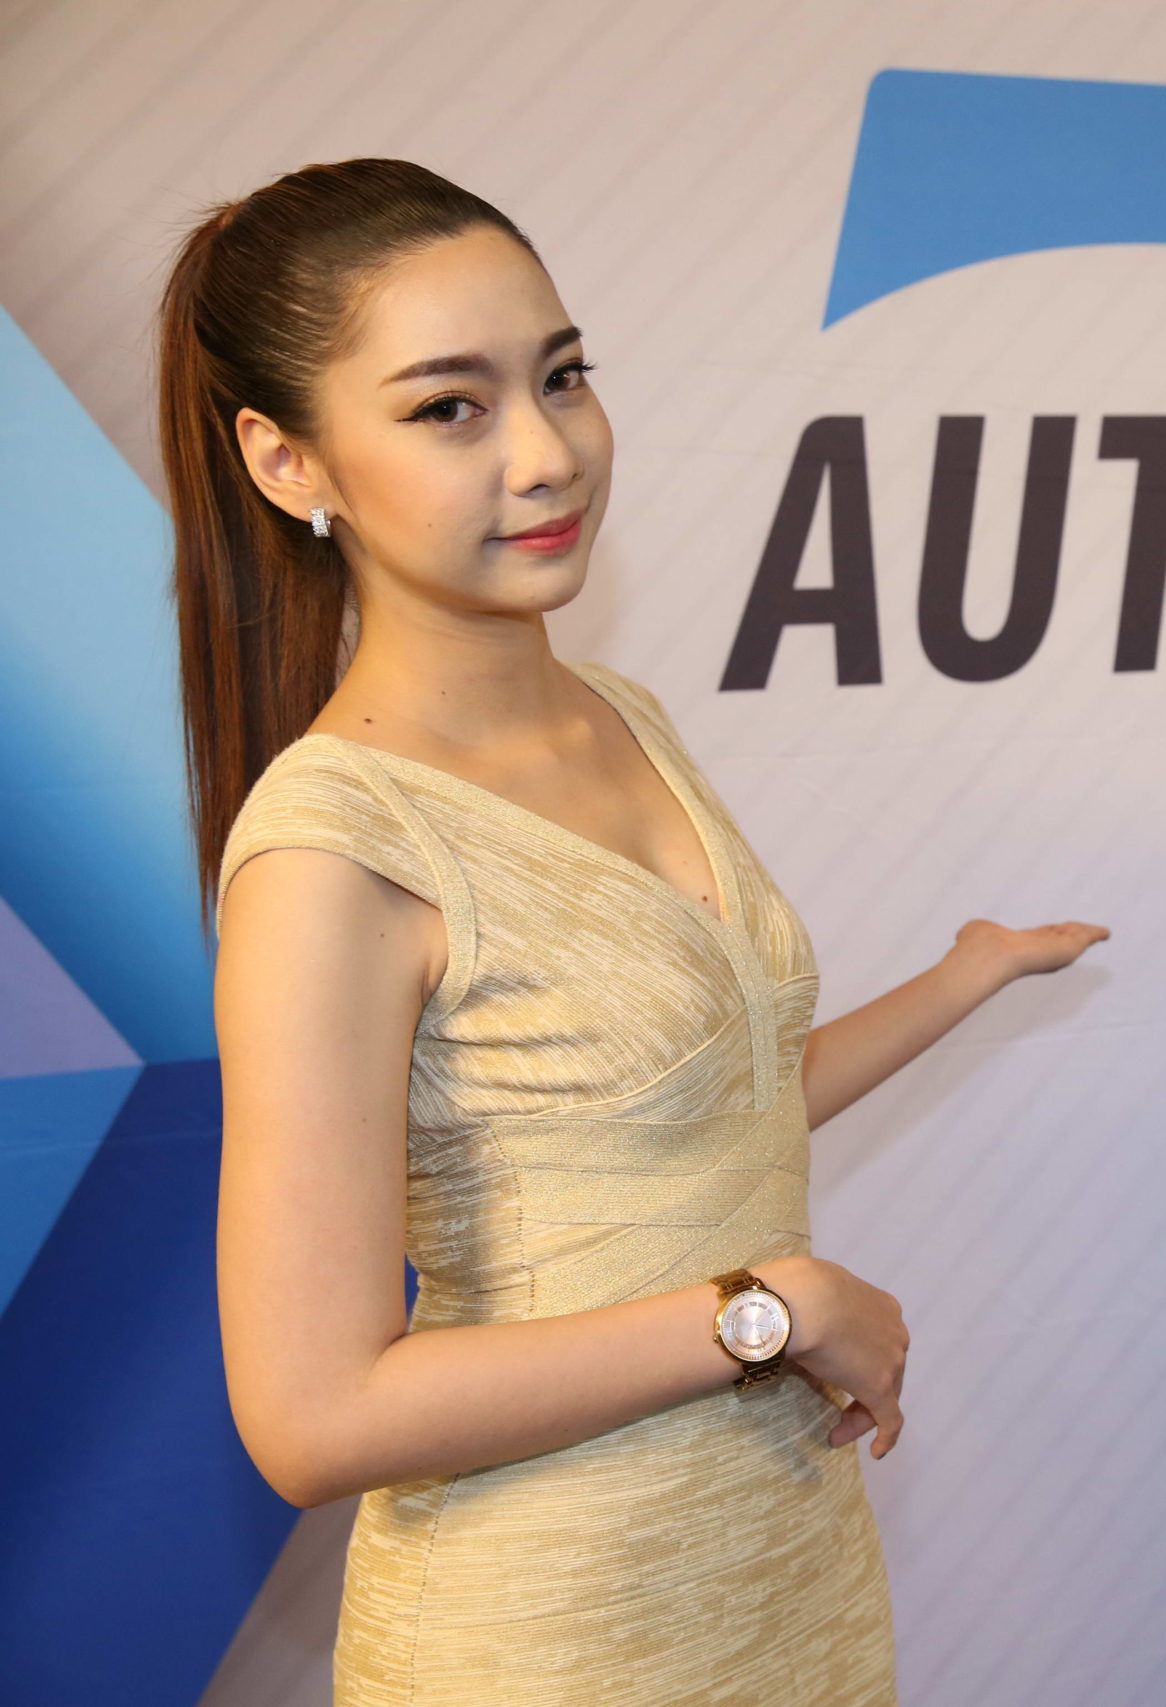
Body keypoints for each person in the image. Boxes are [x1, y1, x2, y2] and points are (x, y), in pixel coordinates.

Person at [172, 159, 1106, 1706]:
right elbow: (312, 1417)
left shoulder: (624, 715)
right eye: (450, 407)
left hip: (782, 1576)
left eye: (563, 377)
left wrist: (963, 977)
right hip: (546, 1635)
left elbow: (686, 1127)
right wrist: (768, 1311)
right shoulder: (335, 855)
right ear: (287, 461)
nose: (548, 453)